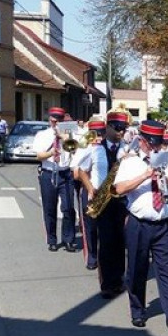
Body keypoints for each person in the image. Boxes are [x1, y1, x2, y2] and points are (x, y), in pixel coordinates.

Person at [113, 120, 168, 333]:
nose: (156, 147)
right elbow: (119, 188)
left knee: (166, 270)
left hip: (165, 223)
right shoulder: (130, 162)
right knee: (137, 269)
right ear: (141, 141)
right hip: (139, 224)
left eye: (159, 143)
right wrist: (144, 176)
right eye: (151, 144)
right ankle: (138, 311)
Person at [92, 110, 131, 298]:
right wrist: (90, 188)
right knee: (106, 242)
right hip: (103, 200)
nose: (121, 133)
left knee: (120, 241)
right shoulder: (95, 148)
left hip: (121, 200)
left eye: (123, 129)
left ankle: (119, 279)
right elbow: (80, 170)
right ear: (107, 127)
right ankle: (107, 283)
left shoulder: (128, 149)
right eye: (117, 128)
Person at [33, 107, 78, 252]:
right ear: (50, 120)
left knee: (68, 208)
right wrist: (51, 152)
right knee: (49, 208)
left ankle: (68, 239)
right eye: (53, 121)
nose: (56, 123)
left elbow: (75, 150)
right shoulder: (42, 135)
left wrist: (63, 137)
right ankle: (52, 239)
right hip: (48, 173)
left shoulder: (69, 135)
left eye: (58, 121)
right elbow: (39, 156)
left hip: (65, 173)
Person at [72, 119, 107, 271]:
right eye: (96, 134)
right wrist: (90, 187)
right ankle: (92, 256)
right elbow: (77, 173)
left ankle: (105, 256)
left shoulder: (106, 148)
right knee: (91, 227)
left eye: (101, 134)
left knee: (106, 227)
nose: (99, 137)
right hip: (92, 191)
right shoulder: (86, 148)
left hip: (108, 192)